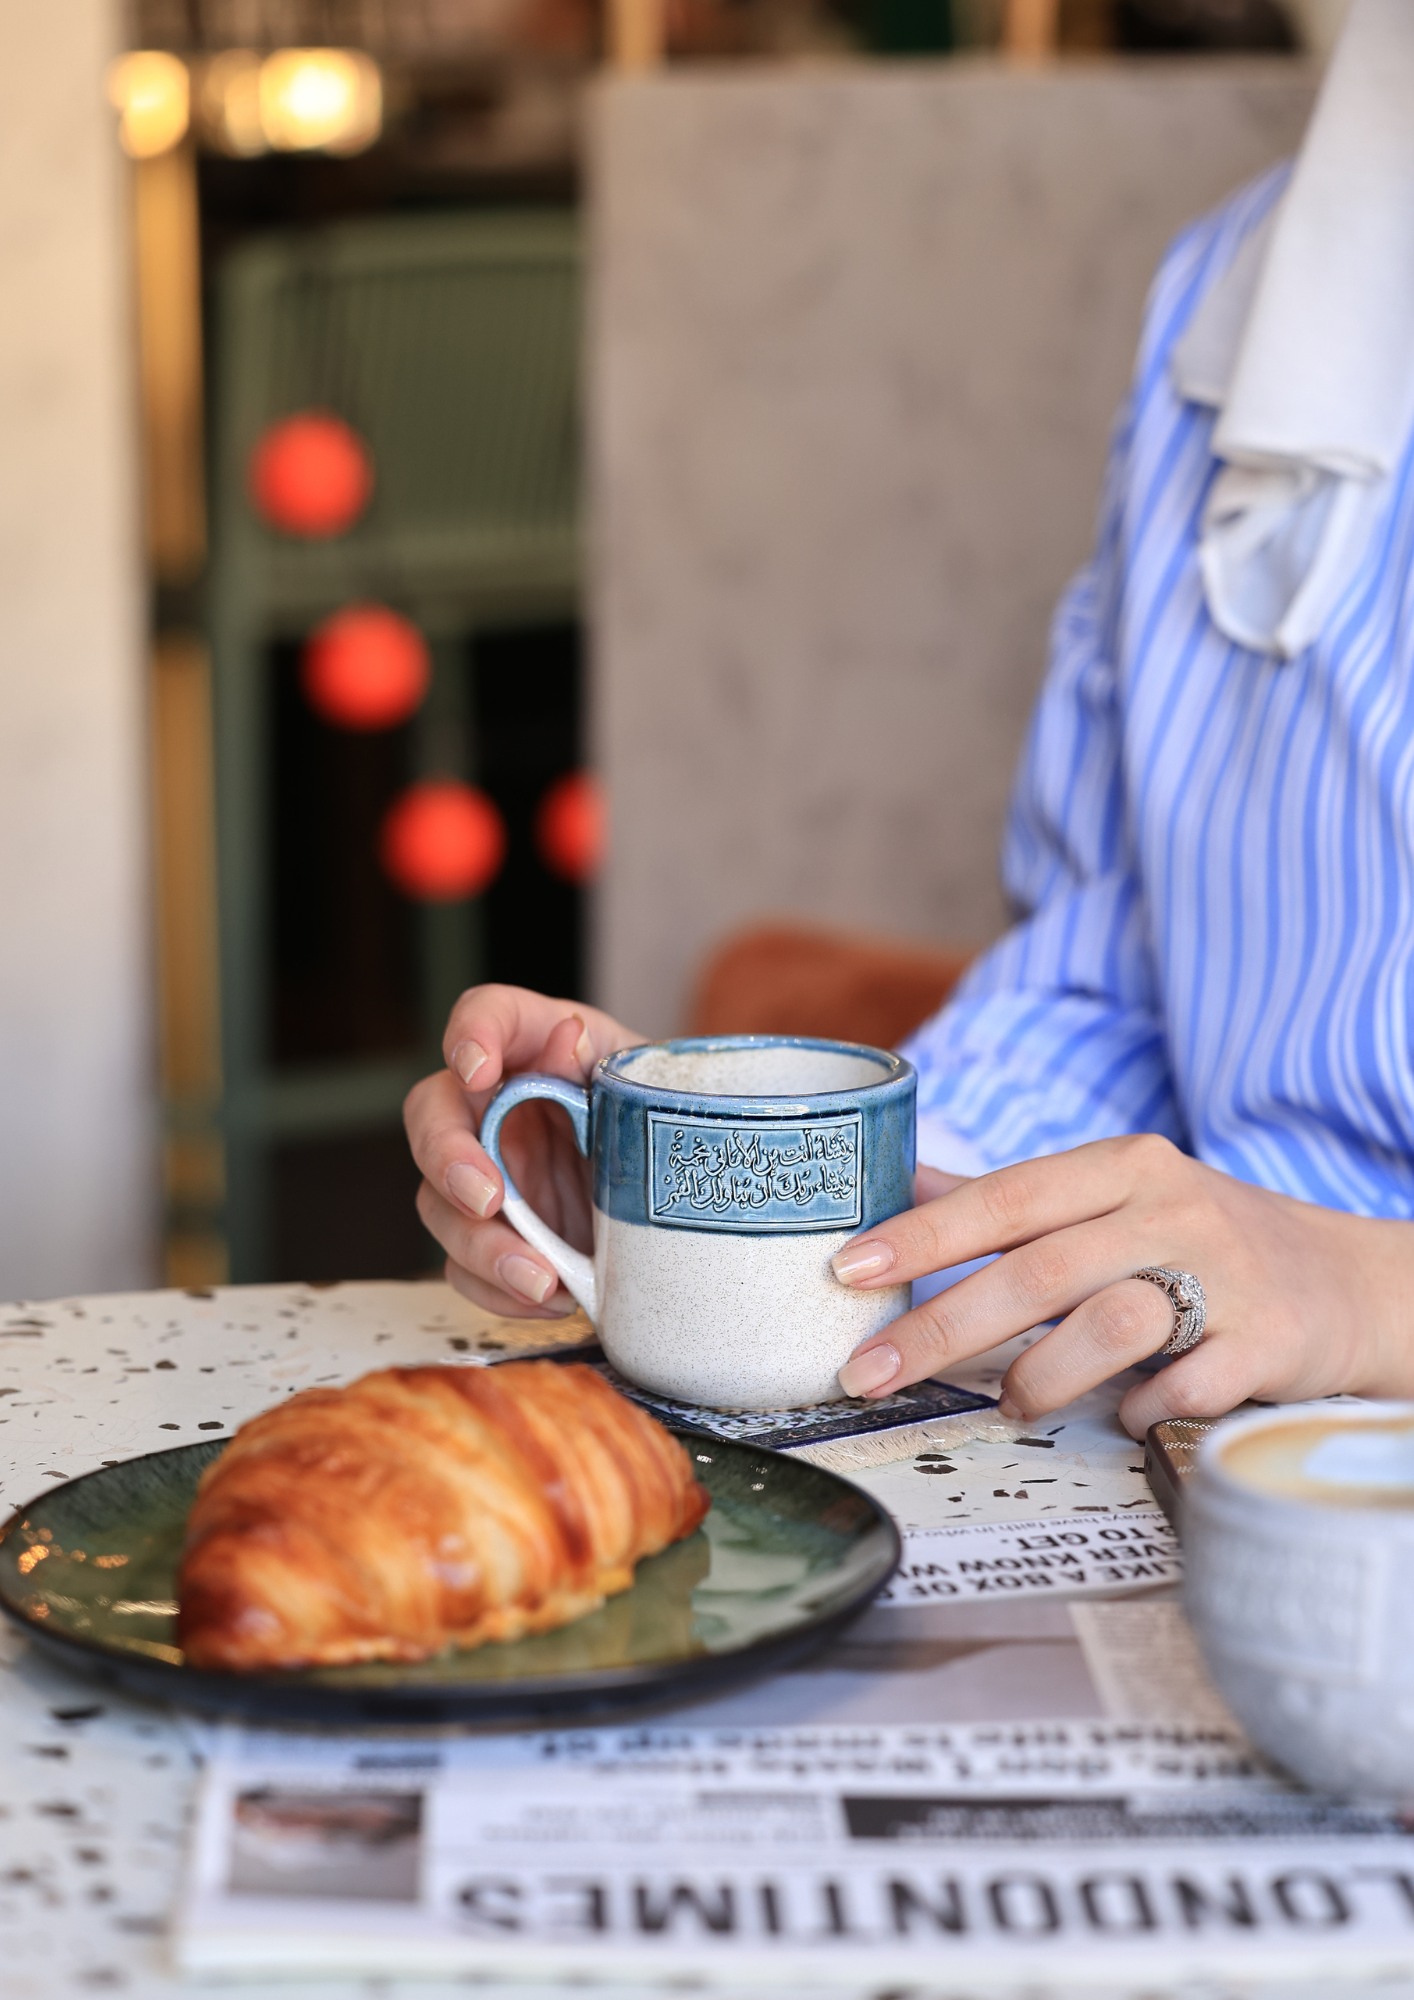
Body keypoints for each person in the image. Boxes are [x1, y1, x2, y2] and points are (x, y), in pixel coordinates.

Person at [404, 0, 1414, 1442]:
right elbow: (1108, 986)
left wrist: (1370, 1289)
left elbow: (1329, 1272)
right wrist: (753, 1191)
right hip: (1217, 1440)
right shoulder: (1243, 294)